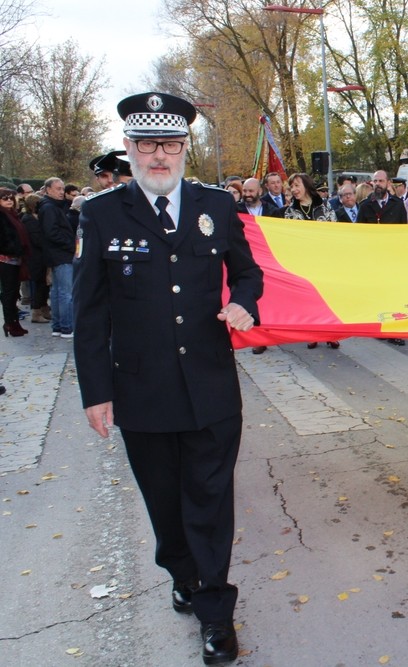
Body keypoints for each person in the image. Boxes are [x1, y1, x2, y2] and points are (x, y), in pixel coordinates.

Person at [73, 91, 264, 663]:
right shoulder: (102, 213)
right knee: (165, 504)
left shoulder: (217, 206)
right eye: (147, 145)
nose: (160, 156)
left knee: (209, 500)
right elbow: (90, 313)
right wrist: (96, 393)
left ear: (185, 149)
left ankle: (215, 612)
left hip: (210, 386)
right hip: (141, 390)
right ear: (129, 150)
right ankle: (181, 570)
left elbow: (249, 275)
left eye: (170, 145)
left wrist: (244, 304)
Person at [38, 177, 75, 338]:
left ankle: (59, 326)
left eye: (62, 189)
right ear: (48, 190)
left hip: (57, 254)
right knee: (65, 292)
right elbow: (51, 232)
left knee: (58, 292)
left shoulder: (51, 207)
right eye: (58, 189)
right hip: (61, 254)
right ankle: (66, 327)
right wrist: (71, 245)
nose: (61, 192)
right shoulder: (49, 208)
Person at [1, 187, 29, 337]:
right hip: (6, 259)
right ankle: (10, 323)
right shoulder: (2, 215)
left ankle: (14, 322)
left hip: (16, 258)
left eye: (11, 198)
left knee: (13, 293)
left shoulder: (13, 215)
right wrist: (12, 249)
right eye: (5, 198)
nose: (9, 201)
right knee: (9, 293)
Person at [20, 194, 50, 323]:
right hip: (35, 257)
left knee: (43, 284)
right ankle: (36, 311)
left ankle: (43, 308)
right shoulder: (28, 220)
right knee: (39, 284)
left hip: (39, 256)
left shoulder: (31, 218)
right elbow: (36, 239)